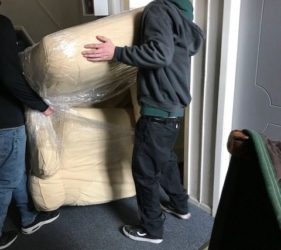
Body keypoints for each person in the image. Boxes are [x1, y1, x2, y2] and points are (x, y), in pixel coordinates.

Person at [82, 0, 203, 244]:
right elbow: (168, 53)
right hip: (174, 109)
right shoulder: (186, 18)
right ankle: (180, 205)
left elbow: (160, 53)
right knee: (166, 157)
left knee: (144, 172)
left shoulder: (158, 10)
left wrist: (115, 52)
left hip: (158, 110)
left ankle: (152, 229)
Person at [0, 8, 60, 250]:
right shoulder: (2, 24)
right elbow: (8, 74)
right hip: (5, 120)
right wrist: (40, 105)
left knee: (16, 172)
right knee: (5, 179)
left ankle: (27, 218)